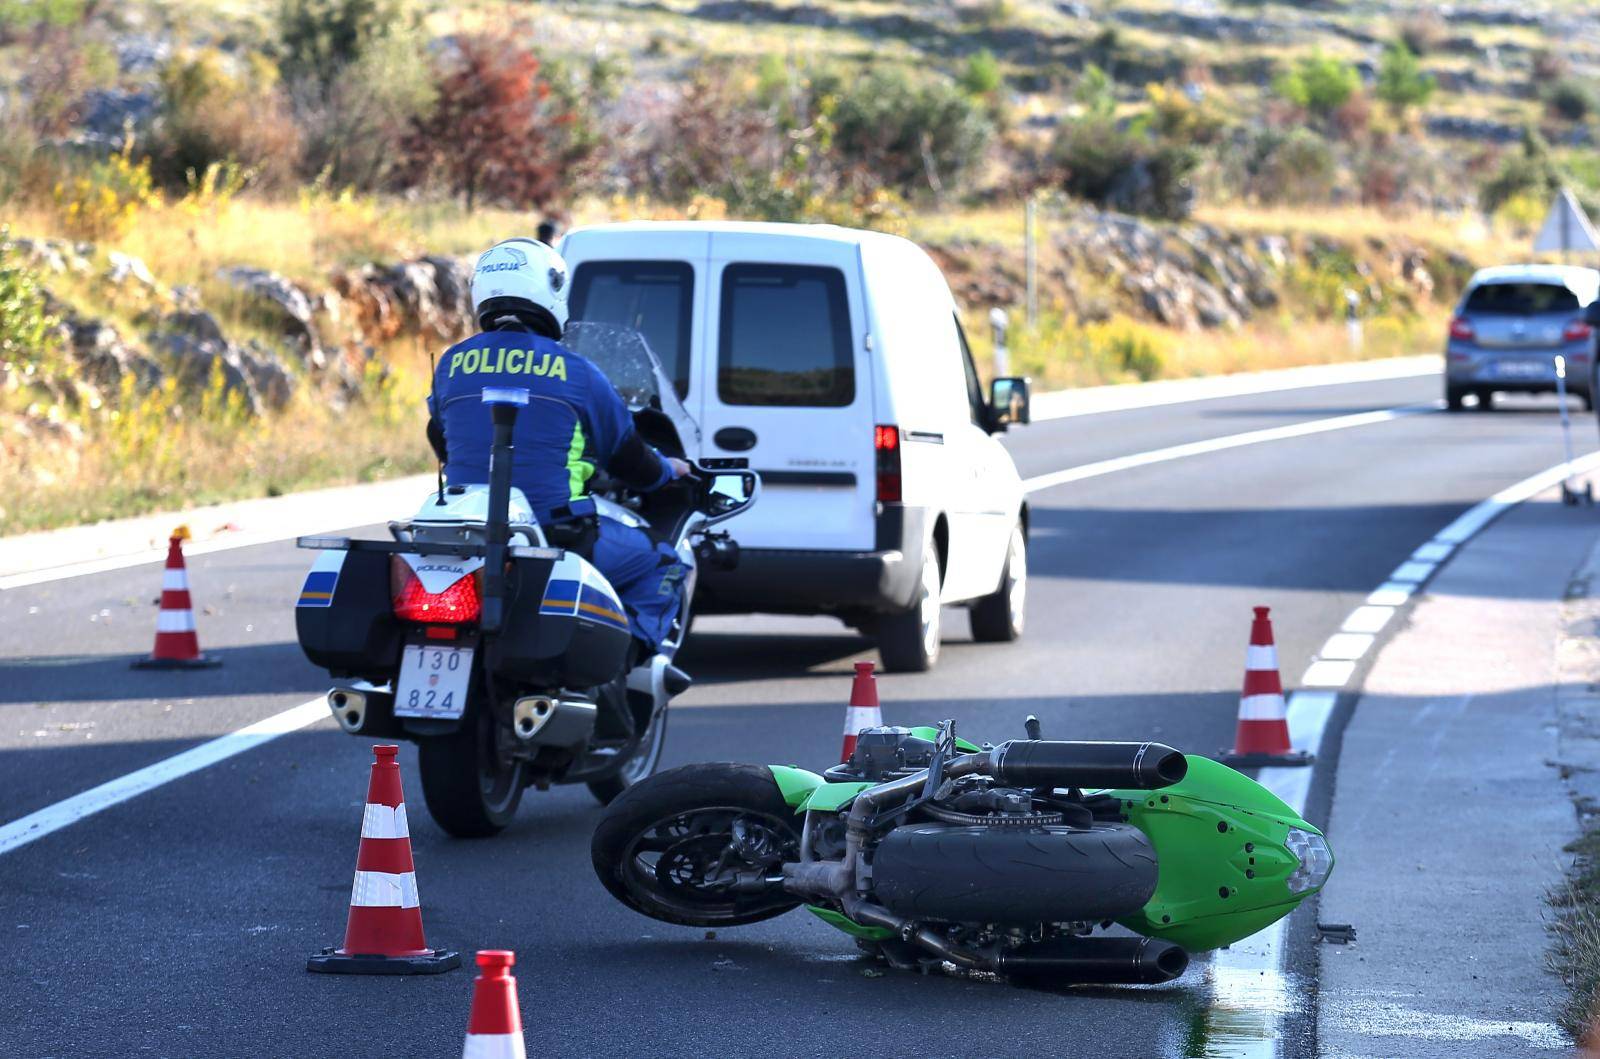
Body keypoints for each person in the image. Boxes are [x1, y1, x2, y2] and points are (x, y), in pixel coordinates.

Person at [427, 237, 690, 654]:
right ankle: (621, 669)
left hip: (462, 536)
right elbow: (627, 455)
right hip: (553, 533)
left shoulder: (450, 364)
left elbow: (440, 437)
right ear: (551, 290)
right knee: (662, 563)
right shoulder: (576, 371)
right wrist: (667, 472)